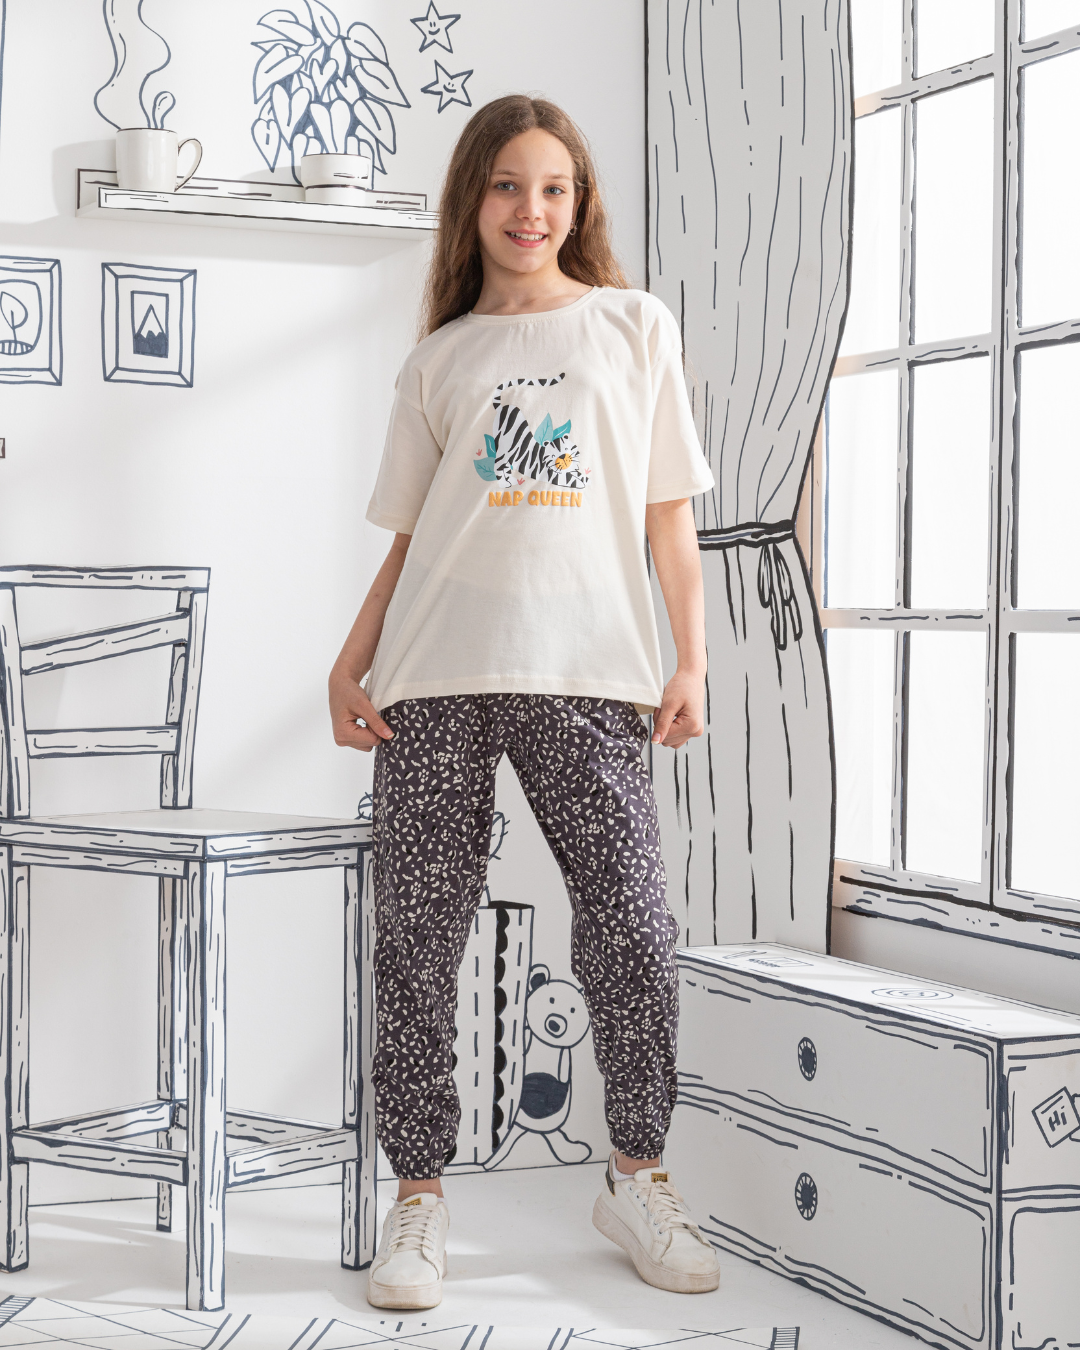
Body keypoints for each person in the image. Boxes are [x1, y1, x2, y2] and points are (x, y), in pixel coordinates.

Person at [329, 94, 721, 1310]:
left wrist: (691, 661)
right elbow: (411, 544)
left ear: (579, 202)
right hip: (434, 676)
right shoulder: (438, 360)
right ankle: (419, 1198)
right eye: (506, 185)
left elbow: (670, 518)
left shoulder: (632, 327)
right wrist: (348, 663)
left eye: (553, 187)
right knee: (418, 943)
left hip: (590, 674)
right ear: (474, 201)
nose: (530, 209)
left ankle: (637, 1175)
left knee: (632, 930)